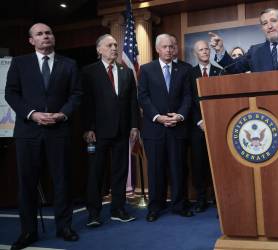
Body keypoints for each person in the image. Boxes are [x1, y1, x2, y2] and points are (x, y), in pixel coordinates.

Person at [5, 23, 82, 249]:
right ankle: (28, 232)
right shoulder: (20, 63)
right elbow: (11, 93)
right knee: (27, 184)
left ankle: (64, 227)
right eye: (39, 34)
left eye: (48, 32)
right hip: (28, 132)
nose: (45, 36)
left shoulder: (69, 64)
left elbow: (77, 94)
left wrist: (62, 114)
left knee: (62, 182)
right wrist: (33, 114)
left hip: (59, 131)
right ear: (31, 40)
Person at [81, 34, 139, 227]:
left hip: (122, 131)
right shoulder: (88, 72)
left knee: (120, 172)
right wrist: (87, 127)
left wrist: (134, 125)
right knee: (95, 173)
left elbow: (132, 101)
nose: (114, 48)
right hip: (97, 132)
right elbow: (85, 103)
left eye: (115, 44)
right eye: (109, 45)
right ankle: (94, 213)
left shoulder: (126, 71)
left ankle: (118, 209)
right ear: (99, 49)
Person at [138, 34, 194, 222]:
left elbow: (188, 97)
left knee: (178, 168)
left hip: (178, 127)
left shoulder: (184, 69)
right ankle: (155, 207)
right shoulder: (146, 69)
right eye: (165, 47)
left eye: (172, 46)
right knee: (155, 169)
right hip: (155, 129)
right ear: (157, 49)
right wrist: (158, 117)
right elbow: (143, 97)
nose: (169, 50)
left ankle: (179, 205)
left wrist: (179, 115)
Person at [209, 8, 278, 74]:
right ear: (262, 28)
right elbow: (234, 67)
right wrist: (220, 50)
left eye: (273, 21)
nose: (269, 26)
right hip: (263, 110)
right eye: (265, 23)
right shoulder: (255, 51)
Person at [189, 40, 221, 213]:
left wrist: (215, 121)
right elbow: (189, 101)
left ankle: (218, 197)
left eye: (206, 49)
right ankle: (201, 198)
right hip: (197, 128)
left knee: (217, 163)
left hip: (217, 126)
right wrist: (200, 121)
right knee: (198, 163)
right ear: (196, 54)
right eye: (201, 50)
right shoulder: (190, 73)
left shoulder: (219, 72)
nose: (205, 52)